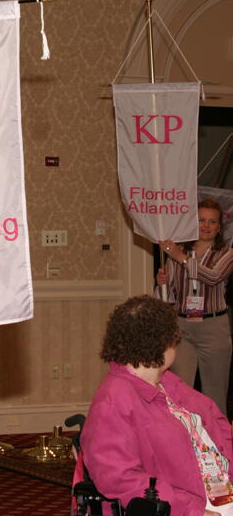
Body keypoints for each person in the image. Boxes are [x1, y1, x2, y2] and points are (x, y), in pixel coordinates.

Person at [81, 295, 233, 516]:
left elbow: (219, 430)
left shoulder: (168, 384)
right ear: (163, 343)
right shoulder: (113, 401)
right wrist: (191, 511)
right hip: (192, 505)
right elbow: (119, 479)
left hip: (219, 491)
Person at [156, 198, 233, 414]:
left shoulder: (227, 254)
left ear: (219, 228)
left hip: (214, 327)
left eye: (212, 222)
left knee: (215, 393)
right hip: (182, 327)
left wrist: (179, 257)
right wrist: (161, 282)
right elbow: (168, 296)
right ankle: (183, 442)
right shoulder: (178, 253)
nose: (206, 226)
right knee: (179, 390)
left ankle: (217, 444)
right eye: (201, 220)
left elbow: (213, 277)